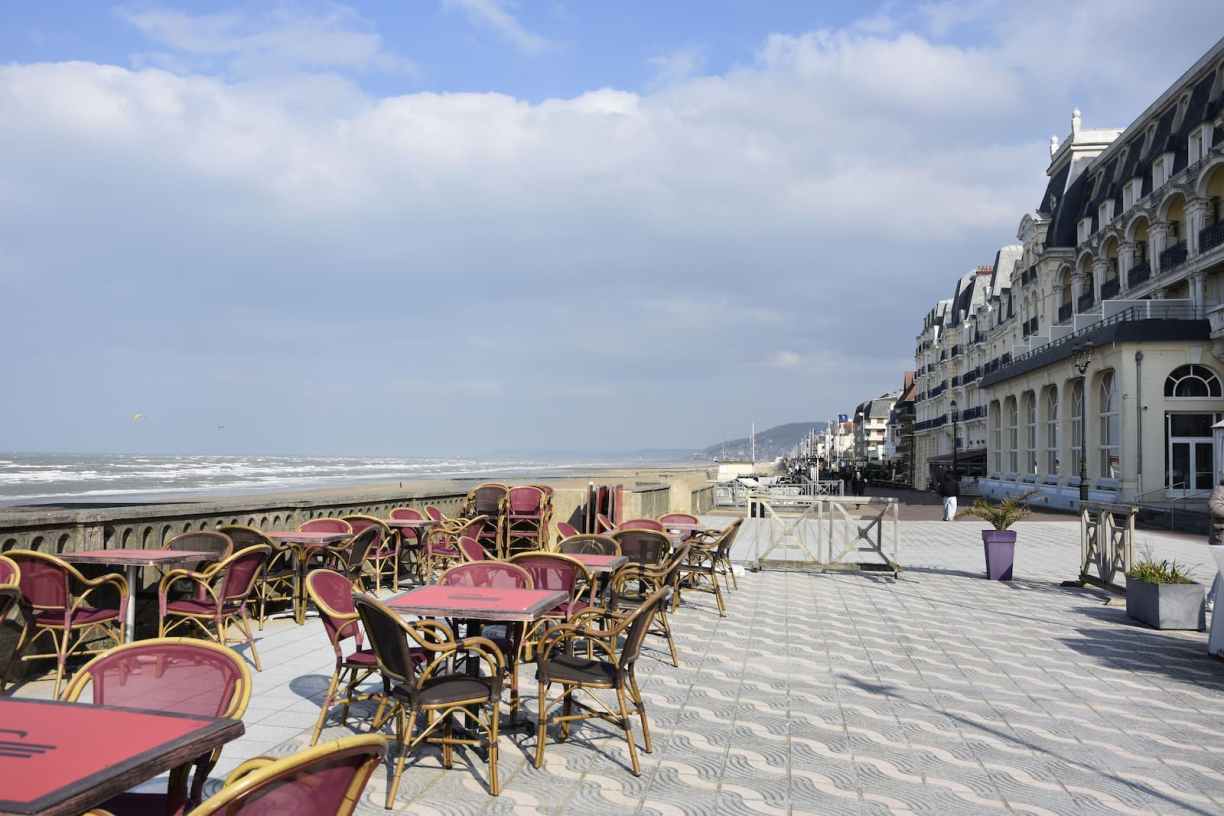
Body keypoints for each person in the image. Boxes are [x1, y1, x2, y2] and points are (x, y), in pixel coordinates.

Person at [1208, 480, 1224, 656]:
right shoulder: (1220, 489)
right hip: (1221, 538)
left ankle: (1213, 597)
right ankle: (1212, 598)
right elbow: (1214, 506)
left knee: (1222, 571)